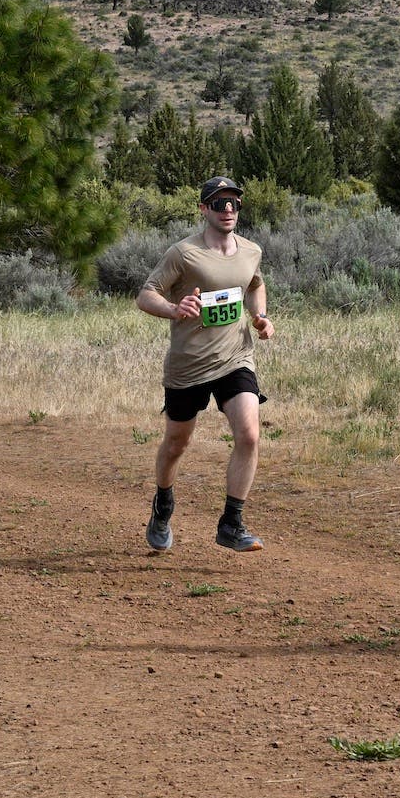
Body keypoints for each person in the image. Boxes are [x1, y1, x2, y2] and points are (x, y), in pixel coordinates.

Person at [137, 176, 274, 553]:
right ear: (203, 210)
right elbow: (145, 294)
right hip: (189, 364)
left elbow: (254, 285)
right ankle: (163, 503)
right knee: (177, 444)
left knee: (249, 435)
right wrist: (173, 308)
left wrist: (260, 316)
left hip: (236, 357)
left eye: (233, 203)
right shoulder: (183, 253)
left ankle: (232, 523)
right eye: (218, 203)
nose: (228, 209)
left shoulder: (251, 251)